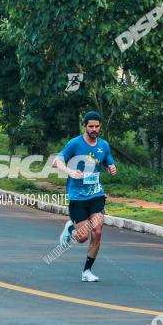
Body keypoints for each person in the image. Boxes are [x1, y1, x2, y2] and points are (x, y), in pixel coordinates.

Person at [54, 111, 117, 282]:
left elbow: (109, 161)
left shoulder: (103, 145)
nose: (94, 129)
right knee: (82, 237)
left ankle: (87, 271)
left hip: (96, 194)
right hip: (77, 196)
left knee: (97, 231)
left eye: (97, 126)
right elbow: (56, 161)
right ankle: (70, 229)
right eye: (91, 126)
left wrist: (112, 168)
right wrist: (70, 171)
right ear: (85, 126)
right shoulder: (74, 144)